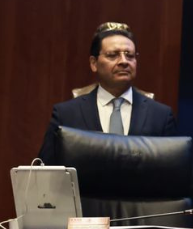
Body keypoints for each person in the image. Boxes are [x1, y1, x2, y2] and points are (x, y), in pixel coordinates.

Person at [37, 23, 177, 165]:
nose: (124, 61)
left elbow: (173, 172)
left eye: (130, 55)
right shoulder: (66, 114)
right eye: (113, 55)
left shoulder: (161, 116)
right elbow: (44, 171)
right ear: (94, 63)